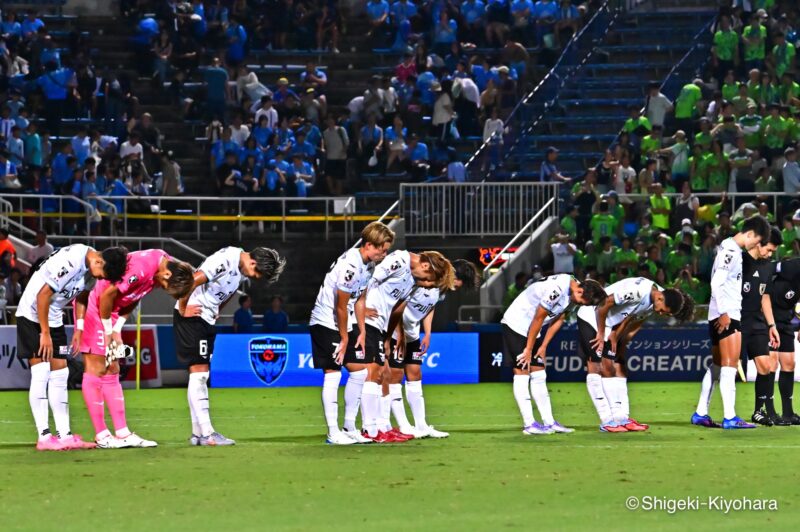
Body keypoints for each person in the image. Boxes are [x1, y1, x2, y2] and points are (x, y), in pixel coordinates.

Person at [15, 245, 128, 450]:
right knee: (41, 372)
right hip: (32, 316)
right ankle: (44, 437)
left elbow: (82, 297)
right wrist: (45, 333)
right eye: (103, 274)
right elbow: (42, 296)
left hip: (55, 318)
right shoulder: (70, 262)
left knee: (61, 374)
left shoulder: (92, 269)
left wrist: (79, 328)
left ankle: (65, 435)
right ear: (99, 262)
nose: (102, 278)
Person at [78, 249, 195, 448]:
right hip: (98, 309)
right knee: (96, 368)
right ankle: (102, 435)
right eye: (166, 286)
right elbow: (106, 296)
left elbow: (135, 296)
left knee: (113, 368)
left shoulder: (165, 266)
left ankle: (122, 433)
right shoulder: (142, 269)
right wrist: (108, 333)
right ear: (167, 275)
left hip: (111, 314)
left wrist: (117, 328)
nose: (164, 289)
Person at [176, 246, 285, 446]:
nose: (254, 277)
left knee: (199, 374)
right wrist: (183, 308)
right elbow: (193, 279)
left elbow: (230, 291)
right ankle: (208, 434)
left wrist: (217, 309)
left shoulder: (239, 267)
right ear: (253, 262)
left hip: (205, 318)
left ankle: (198, 434)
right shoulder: (226, 260)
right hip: (194, 317)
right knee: (199, 373)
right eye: (256, 273)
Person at [353, 250, 455, 443]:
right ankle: (372, 428)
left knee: (387, 373)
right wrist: (361, 307)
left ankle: (386, 427)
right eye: (428, 279)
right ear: (426, 266)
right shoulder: (399, 261)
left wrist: (391, 334)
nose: (427, 284)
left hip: (389, 327)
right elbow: (370, 279)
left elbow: (398, 307)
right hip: (376, 324)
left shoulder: (413, 278)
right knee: (378, 374)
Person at [308, 222, 395, 445]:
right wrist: (345, 337)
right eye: (381, 249)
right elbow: (340, 304)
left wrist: (361, 331)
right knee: (333, 373)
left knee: (359, 373)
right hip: (326, 322)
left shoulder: (368, 265)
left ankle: (348, 426)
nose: (384, 254)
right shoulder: (351, 266)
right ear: (368, 245)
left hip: (344, 323)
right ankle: (333, 432)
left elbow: (361, 299)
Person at [577, 278, 694, 432]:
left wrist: (616, 337)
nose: (660, 313)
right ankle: (606, 420)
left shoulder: (655, 298)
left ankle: (620, 418)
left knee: (615, 367)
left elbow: (630, 317)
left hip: (609, 325)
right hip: (592, 317)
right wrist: (601, 333)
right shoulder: (638, 291)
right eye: (662, 310)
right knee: (600, 367)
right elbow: (604, 304)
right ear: (660, 297)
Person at [692, 215, 772, 430]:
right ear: (750, 234)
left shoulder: (730, 248)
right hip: (727, 315)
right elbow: (716, 281)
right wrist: (725, 312)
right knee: (729, 366)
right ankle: (730, 417)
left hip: (718, 314)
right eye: (758, 241)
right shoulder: (731, 251)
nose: (757, 245)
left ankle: (701, 412)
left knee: (718, 366)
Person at [385, 260, 481, 438]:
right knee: (395, 376)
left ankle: (421, 426)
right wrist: (398, 335)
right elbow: (397, 307)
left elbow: (430, 308)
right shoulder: (423, 282)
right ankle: (404, 425)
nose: (458, 287)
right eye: (459, 282)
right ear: (452, 274)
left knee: (415, 374)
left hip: (412, 333)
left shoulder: (441, 289)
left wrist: (427, 333)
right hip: (395, 332)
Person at [501, 274, 607, 435]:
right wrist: (528, 349)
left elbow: (559, 318)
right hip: (517, 324)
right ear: (579, 291)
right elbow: (539, 317)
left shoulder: (576, 292)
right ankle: (529, 424)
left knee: (539, 373)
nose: (577, 304)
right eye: (579, 302)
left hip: (532, 329)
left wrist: (543, 345)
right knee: (522, 371)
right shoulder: (556, 289)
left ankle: (549, 422)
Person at [740, 228, 782, 426]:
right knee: (725, 369)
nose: (770, 254)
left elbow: (765, 297)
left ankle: (758, 411)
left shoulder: (767, 267)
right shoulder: (739, 260)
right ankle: (706, 409)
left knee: (765, 366)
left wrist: (771, 325)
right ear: (759, 243)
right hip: (737, 321)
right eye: (770, 250)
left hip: (757, 323)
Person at [768, 257, 800, 425]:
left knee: (789, 363)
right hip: (768, 319)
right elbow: (767, 269)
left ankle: (788, 413)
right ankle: (769, 411)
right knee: (771, 363)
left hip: (785, 321)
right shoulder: (791, 266)